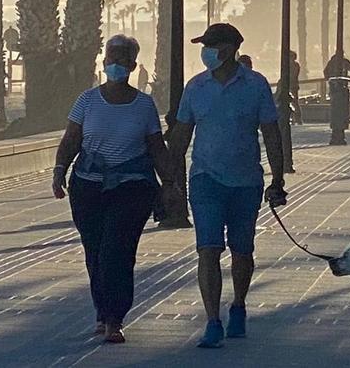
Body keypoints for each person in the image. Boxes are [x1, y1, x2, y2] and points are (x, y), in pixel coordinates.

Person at [167, 23, 288, 349]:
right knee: (207, 249)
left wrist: (277, 179)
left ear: (230, 48)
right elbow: (180, 135)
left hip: (246, 182)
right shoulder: (195, 88)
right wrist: (168, 181)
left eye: (211, 45)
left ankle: (237, 305)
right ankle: (212, 321)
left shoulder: (256, 85)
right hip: (205, 180)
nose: (206, 52)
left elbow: (271, 133)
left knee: (242, 250)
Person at [51, 35, 173, 344]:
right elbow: (70, 140)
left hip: (132, 189)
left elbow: (156, 147)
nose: (115, 64)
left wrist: (170, 185)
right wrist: (59, 172)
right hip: (88, 187)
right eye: (110, 58)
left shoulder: (144, 105)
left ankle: (115, 318)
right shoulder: (87, 100)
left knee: (117, 252)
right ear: (103, 62)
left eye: (122, 59)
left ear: (132, 65)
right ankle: (102, 312)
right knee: (95, 252)